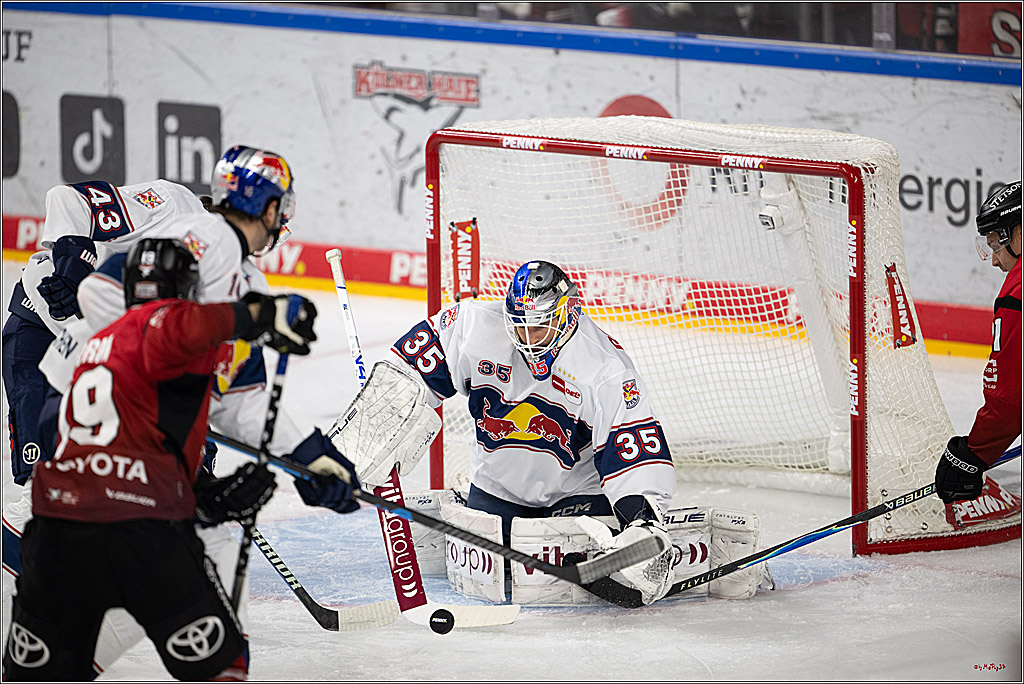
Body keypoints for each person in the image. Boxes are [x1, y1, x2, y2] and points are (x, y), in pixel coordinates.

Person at [2, 238, 360, 681]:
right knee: (218, 661)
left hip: (56, 532)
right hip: (144, 537)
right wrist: (261, 315)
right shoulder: (174, 325)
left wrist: (187, 487)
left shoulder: (88, 332)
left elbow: (53, 424)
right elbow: (181, 331)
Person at [388, 260, 679, 602]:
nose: (528, 339)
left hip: (576, 495)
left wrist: (642, 521)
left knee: (571, 583)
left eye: (539, 327)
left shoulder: (604, 367)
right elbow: (405, 371)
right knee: (496, 574)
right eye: (520, 327)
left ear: (567, 313)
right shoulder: (473, 325)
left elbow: (630, 450)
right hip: (498, 487)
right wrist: (379, 420)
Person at [935, 180, 1022, 505]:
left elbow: (1011, 398)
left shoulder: (1017, 292)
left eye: (995, 245)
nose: (994, 261)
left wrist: (972, 455)